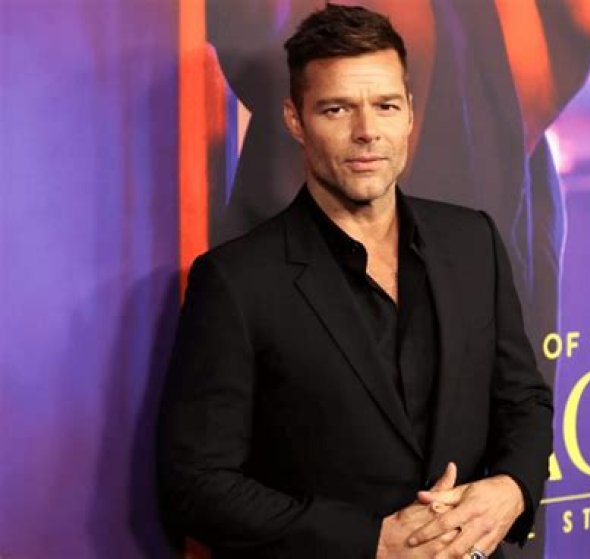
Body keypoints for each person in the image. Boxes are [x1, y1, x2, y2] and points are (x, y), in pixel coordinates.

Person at [158, 5, 553, 557]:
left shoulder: (473, 243)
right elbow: (196, 484)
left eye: (385, 106)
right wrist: (371, 542)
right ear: (295, 119)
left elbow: (525, 401)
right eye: (338, 109)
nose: (367, 132)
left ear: (409, 112)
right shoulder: (236, 282)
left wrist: (512, 488)